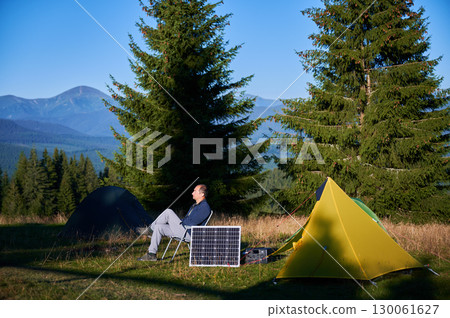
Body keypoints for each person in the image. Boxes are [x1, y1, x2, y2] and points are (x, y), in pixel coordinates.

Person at [137, 184, 211, 261]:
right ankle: (151, 255)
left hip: (188, 233)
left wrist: (177, 222)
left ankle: (150, 230)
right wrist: (177, 223)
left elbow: (193, 222)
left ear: (202, 194)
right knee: (159, 227)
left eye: (195, 191)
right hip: (182, 230)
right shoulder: (194, 205)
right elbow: (187, 220)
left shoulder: (204, 207)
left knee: (168, 212)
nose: (192, 193)